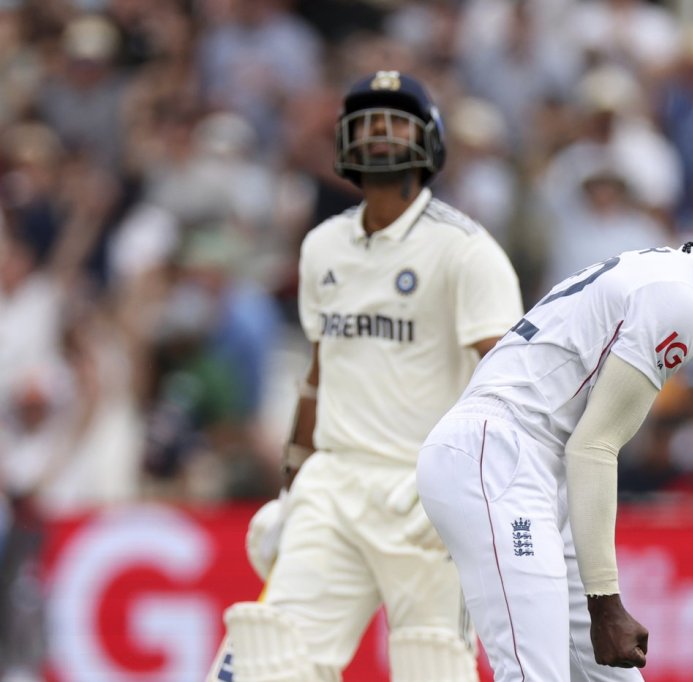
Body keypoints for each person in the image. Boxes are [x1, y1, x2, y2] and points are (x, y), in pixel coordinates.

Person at [208, 70, 523, 682]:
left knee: (434, 668)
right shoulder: (323, 246)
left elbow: (509, 386)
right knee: (265, 663)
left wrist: (471, 487)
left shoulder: (466, 250)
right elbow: (317, 376)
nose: (380, 132)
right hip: (333, 485)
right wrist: (290, 489)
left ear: (429, 140)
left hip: (425, 495)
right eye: (367, 121)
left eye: (396, 121)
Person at [417, 195, 693, 681]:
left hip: (531, 464)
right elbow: (593, 447)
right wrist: (605, 604)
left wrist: (603, 601)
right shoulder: (680, 301)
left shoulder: (668, 278)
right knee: (535, 674)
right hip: (500, 456)